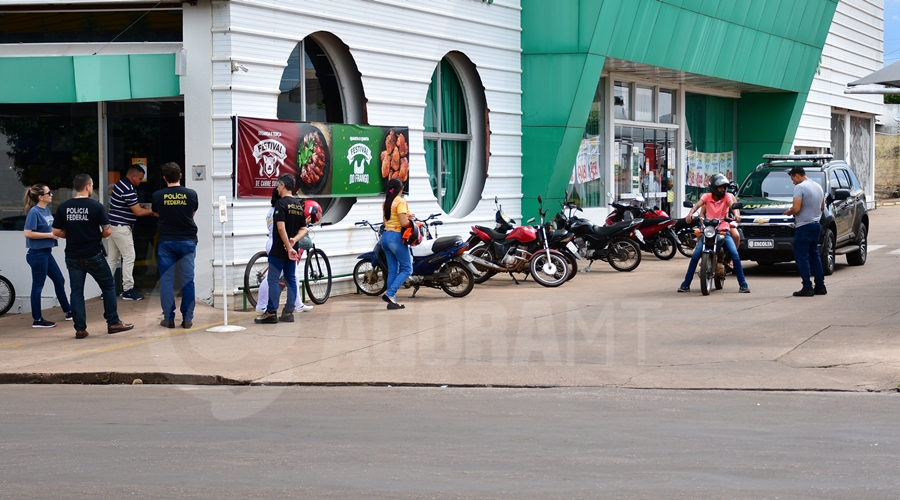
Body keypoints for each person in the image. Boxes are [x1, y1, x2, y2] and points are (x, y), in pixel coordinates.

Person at [51, 174, 134, 339]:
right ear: (88, 186)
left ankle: (80, 328)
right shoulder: (96, 206)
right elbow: (108, 230)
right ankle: (113, 322)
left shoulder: (64, 207)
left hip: (73, 256)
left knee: (76, 292)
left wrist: (73, 235)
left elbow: (55, 231)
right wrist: (97, 235)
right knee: (108, 286)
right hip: (93, 254)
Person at [678, 173, 750, 293]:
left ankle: (743, 284)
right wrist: (690, 213)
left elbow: (733, 207)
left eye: (724, 187)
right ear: (713, 187)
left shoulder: (727, 196)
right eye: (720, 187)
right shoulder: (706, 196)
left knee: (735, 255)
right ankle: (685, 284)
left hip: (723, 230)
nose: (723, 189)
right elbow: (697, 206)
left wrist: (736, 215)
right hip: (708, 230)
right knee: (695, 256)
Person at [152, 162, 199, 328]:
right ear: (180, 175)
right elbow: (192, 213)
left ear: (164, 178)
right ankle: (187, 318)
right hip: (187, 241)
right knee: (188, 281)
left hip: (166, 241)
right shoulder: (191, 194)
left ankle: (169, 318)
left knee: (166, 281)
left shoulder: (158, 195)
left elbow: (156, 213)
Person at [255, 174, 307, 324]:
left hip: (279, 250)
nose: (277, 188)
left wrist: (288, 245)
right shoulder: (297, 205)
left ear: (283, 185)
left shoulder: (281, 204)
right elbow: (304, 229)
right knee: (291, 280)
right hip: (292, 251)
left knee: (273, 279)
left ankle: (271, 312)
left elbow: (280, 228)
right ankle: (288, 312)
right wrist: (295, 241)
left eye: (278, 185)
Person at [23, 184, 72, 328]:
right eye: (48, 193)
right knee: (38, 286)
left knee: (59, 280)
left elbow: (52, 228)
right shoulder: (34, 212)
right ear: (40, 197)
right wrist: (50, 235)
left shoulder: (47, 210)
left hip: (46, 252)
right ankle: (37, 319)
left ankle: (69, 311)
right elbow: (28, 233)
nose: (51, 195)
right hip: (37, 254)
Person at [107, 164, 155, 301]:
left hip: (113, 226)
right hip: (121, 227)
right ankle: (128, 289)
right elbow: (138, 212)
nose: (140, 181)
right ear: (133, 176)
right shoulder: (128, 188)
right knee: (129, 256)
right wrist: (153, 211)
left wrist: (143, 206)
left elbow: (131, 205)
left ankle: (107, 289)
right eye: (140, 178)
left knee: (113, 258)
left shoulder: (121, 184)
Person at [784, 165, 826, 297]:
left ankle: (807, 286)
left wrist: (789, 211)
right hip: (815, 225)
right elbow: (822, 207)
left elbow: (796, 209)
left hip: (803, 227)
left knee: (802, 257)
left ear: (797, 175)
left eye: (792, 179)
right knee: (815, 256)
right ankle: (820, 285)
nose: (793, 182)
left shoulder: (800, 187)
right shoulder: (818, 186)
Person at [381, 178, 413, 310]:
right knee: (407, 268)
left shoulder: (386, 202)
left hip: (385, 237)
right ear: (402, 188)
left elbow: (386, 222)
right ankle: (390, 293)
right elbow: (404, 223)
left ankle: (391, 301)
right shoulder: (400, 202)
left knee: (393, 270)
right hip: (396, 237)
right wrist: (413, 223)